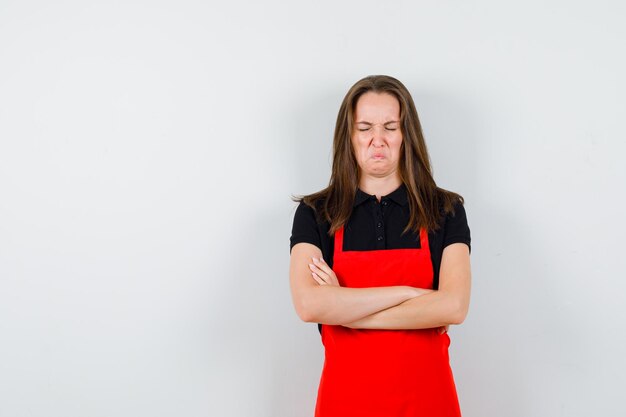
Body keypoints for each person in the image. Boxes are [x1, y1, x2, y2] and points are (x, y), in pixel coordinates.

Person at [289, 75, 471, 417]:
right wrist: (413, 294)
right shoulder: (316, 214)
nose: (378, 140)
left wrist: (348, 314)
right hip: (345, 405)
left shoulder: (445, 210)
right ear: (349, 136)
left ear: (407, 135)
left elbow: (454, 306)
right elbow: (310, 304)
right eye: (365, 128)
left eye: (390, 126)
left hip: (428, 405)